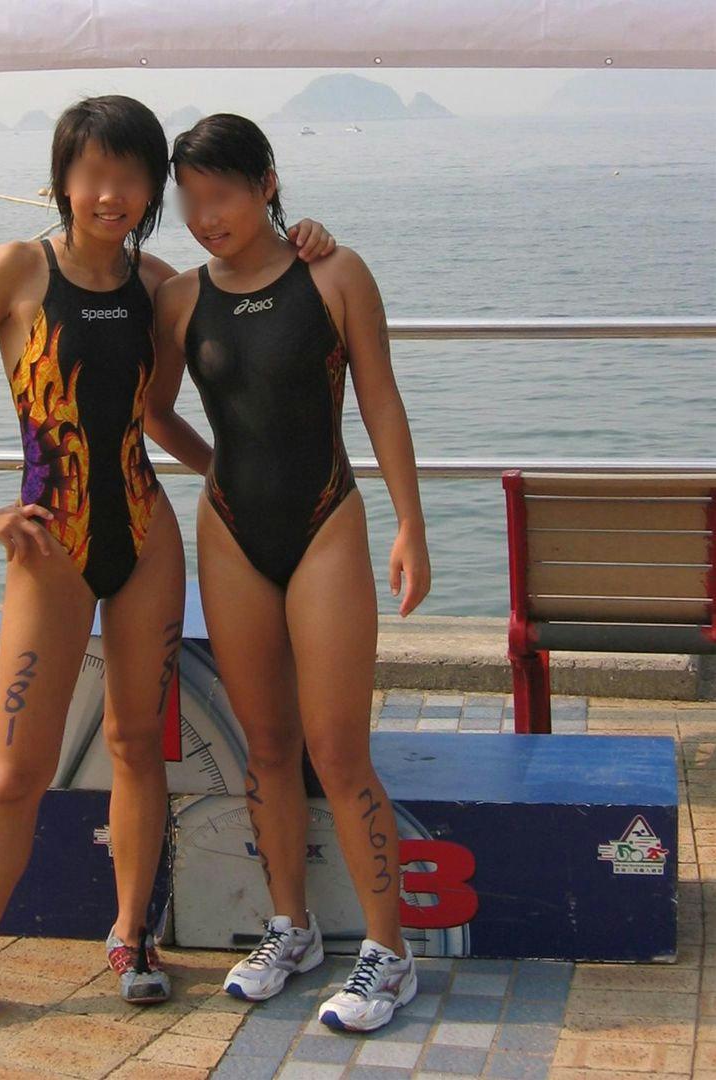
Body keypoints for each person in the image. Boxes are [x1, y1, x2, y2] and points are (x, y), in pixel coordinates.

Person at [0, 95, 333, 1040]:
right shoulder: (17, 269)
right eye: (94, 174)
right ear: (65, 179)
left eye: (132, 176)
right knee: (18, 771)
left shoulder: (159, 284)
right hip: (52, 546)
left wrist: (307, 240)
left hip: (146, 537)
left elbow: (185, 381)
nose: (112, 193)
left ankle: (131, 936)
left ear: (153, 189)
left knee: (135, 744)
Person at [147, 113, 432, 1034]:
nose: (206, 218)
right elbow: (154, 411)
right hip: (230, 530)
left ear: (267, 183)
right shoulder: (180, 299)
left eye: (222, 196)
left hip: (327, 521)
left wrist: (411, 525)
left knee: (338, 750)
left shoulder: (335, 274)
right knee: (266, 747)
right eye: (190, 201)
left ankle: (389, 951)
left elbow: (380, 398)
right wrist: (215, 473)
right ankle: (291, 928)